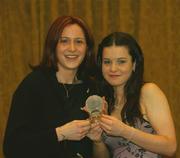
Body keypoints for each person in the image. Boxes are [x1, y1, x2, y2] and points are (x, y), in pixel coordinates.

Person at [3, 15, 99, 158]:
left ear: (87, 48)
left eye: (79, 42)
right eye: (64, 41)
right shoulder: (33, 85)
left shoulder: (94, 88)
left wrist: (99, 140)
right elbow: (12, 147)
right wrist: (60, 133)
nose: (72, 48)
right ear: (53, 45)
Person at [93, 32, 177, 158]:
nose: (113, 68)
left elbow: (170, 147)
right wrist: (97, 141)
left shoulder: (148, 91)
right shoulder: (105, 103)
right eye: (107, 62)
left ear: (134, 64)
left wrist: (124, 131)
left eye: (121, 62)